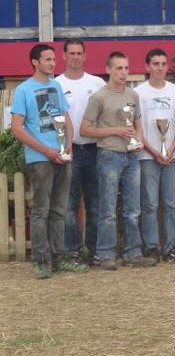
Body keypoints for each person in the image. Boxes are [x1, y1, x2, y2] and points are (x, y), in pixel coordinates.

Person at [11, 44, 85, 278]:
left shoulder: (56, 86)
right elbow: (16, 128)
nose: (53, 63)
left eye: (54, 59)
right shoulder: (23, 90)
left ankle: (59, 257)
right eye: (48, 60)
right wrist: (46, 150)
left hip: (62, 156)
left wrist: (68, 146)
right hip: (40, 159)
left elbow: (67, 120)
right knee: (41, 211)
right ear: (35, 62)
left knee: (59, 211)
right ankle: (41, 261)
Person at [80, 52, 156, 270]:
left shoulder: (133, 95)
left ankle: (133, 253)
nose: (123, 73)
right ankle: (105, 254)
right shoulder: (99, 97)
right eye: (119, 68)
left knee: (133, 209)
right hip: (109, 155)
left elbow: (138, 122)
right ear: (108, 69)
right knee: (108, 209)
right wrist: (115, 131)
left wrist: (139, 140)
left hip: (132, 156)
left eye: (126, 68)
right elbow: (85, 129)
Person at [55, 39, 105, 264]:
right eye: (71, 53)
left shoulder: (96, 84)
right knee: (68, 205)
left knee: (96, 204)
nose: (75, 57)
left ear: (85, 56)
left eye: (79, 53)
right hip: (69, 150)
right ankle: (73, 251)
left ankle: (94, 251)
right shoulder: (55, 84)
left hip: (95, 149)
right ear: (64, 56)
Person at [135, 48, 175, 262]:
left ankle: (172, 245)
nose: (160, 68)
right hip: (147, 156)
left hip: (172, 156)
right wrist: (154, 151)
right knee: (150, 204)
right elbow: (137, 128)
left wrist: (170, 150)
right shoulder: (138, 93)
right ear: (147, 67)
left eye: (163, 64)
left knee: (172, 203)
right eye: (155, 64)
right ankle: (152, 246)